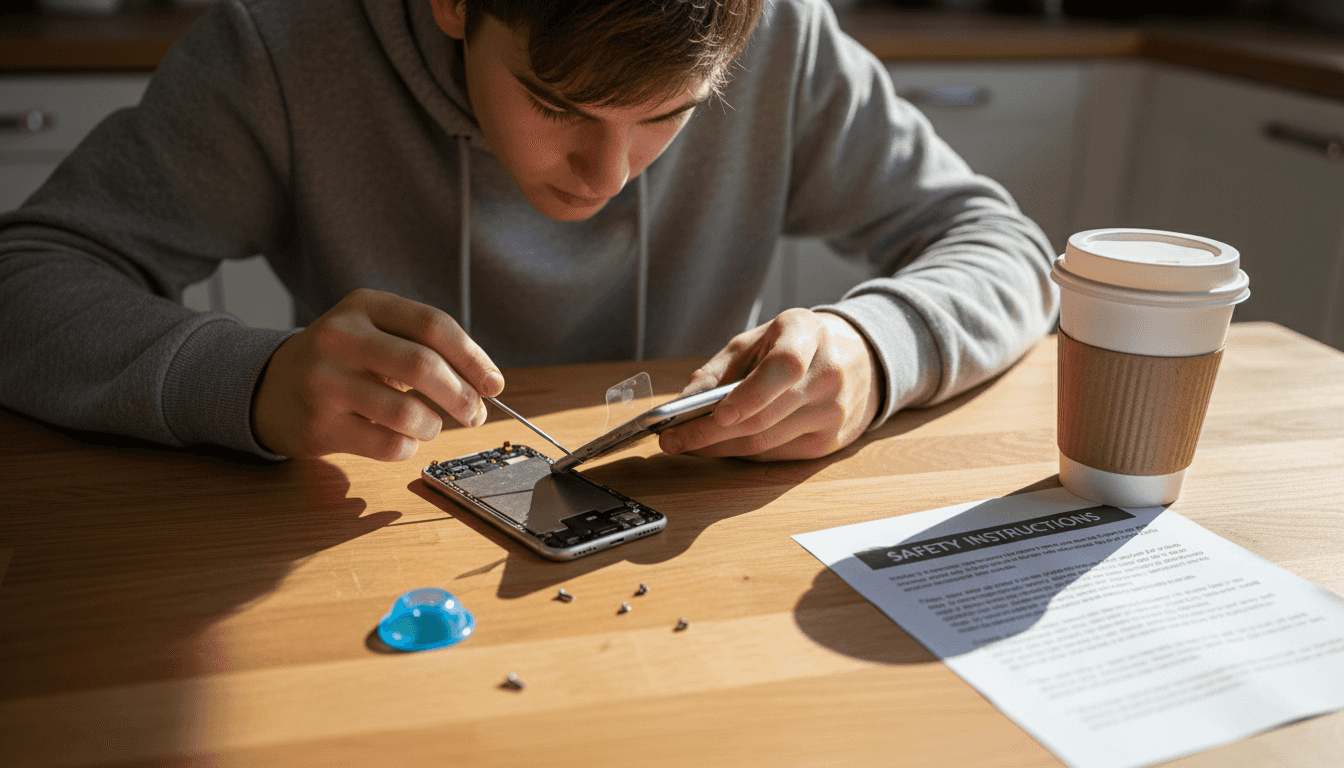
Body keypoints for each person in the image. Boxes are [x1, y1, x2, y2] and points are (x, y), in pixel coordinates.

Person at [0, 0, 1057, 464]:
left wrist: (877, 351)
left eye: (668, 118)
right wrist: (254, 380)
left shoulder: (780, 33)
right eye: (558, 106)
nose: (608, 174)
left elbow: (998, 242)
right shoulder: (277, 55)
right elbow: (27, 277)